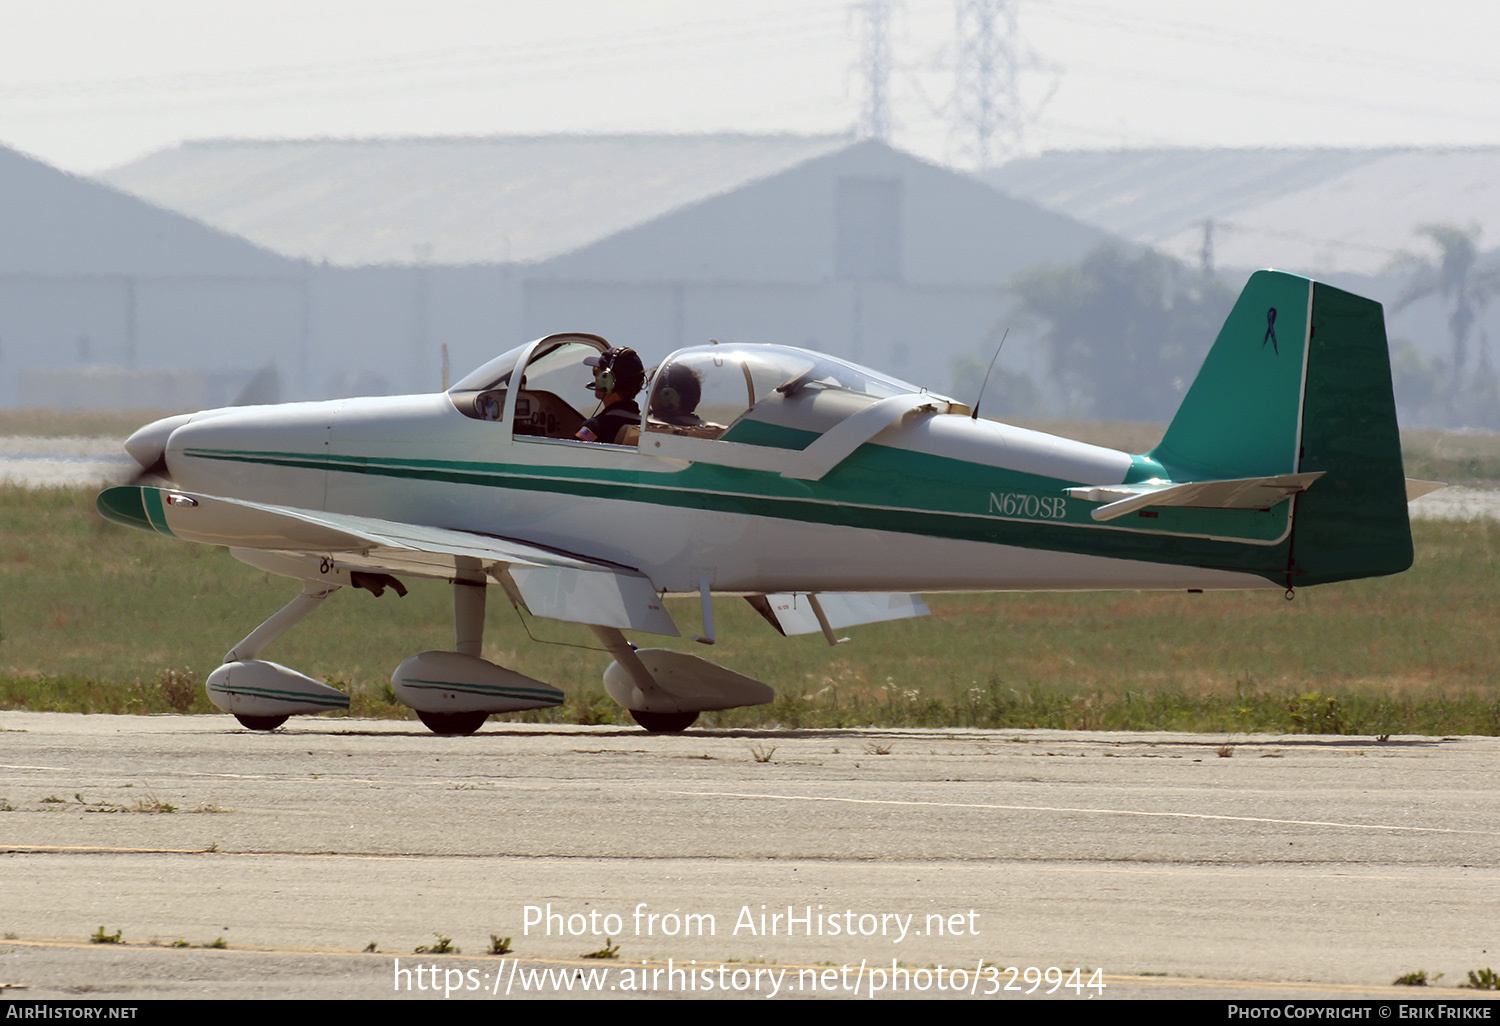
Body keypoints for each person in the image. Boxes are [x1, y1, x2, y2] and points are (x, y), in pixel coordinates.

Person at [575, 347, 645, 444]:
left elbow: (567, 457)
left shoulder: (594, 428)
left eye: (596, 371)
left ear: (607, 379)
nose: (595, 378)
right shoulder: (645, 429)